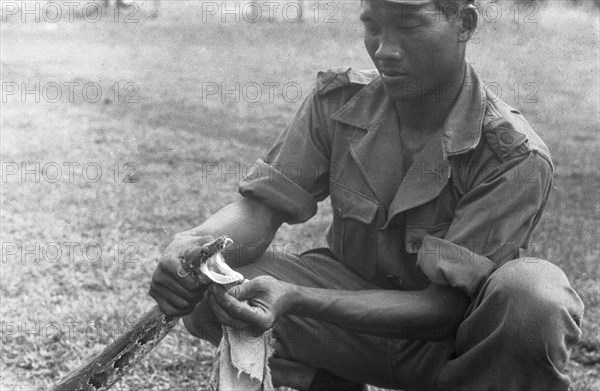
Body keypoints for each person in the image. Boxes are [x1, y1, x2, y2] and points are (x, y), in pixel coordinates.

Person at [149, 0, 584, 390]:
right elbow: (259, 210)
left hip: (450, 349)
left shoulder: (512, 153)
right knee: (217, 276)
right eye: (373, 25)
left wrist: (297, 298)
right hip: (346, 328)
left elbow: (441, 309)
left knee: (534, 296)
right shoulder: (337, 102)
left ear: (464, 23)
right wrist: (194, 244)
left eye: (409, 25)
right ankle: (324, 384)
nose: (384, 49)